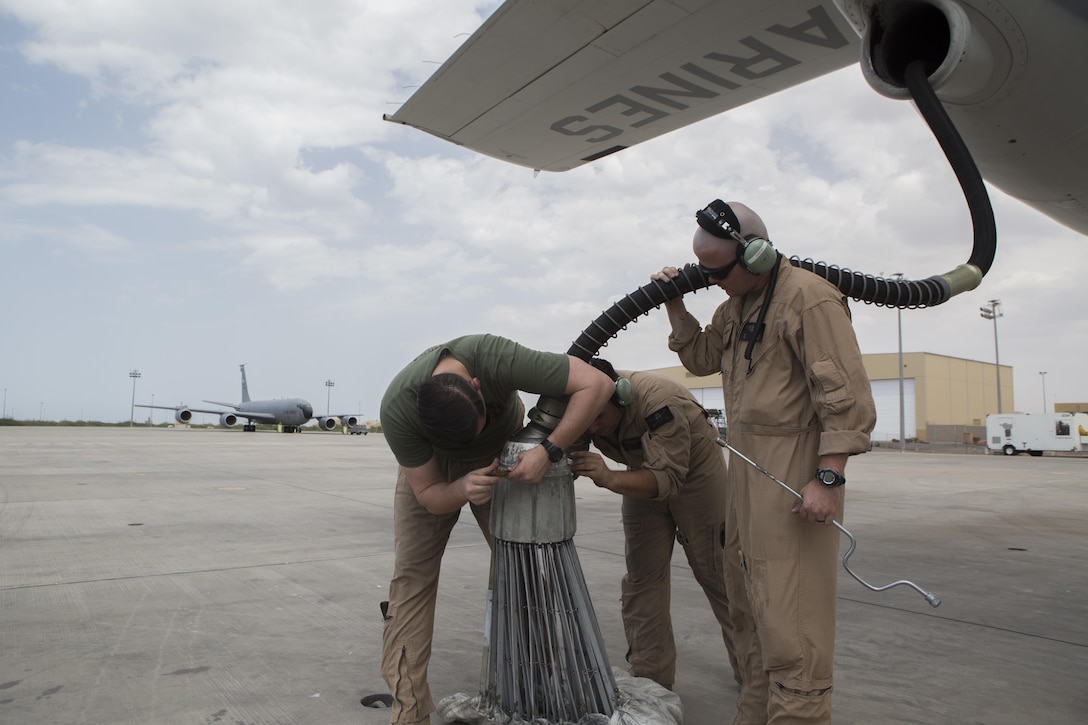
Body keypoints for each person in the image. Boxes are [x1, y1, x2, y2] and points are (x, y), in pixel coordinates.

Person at [652, 200, 876, 724]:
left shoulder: (809, 299)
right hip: (747, 473)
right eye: (704, 272)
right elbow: (701, 358)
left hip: (793, 474)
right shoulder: (735, 307)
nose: (712, 282)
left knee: (792, 621)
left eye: (718, 271)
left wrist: (828, 478)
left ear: (755, 254)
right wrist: (675, 304)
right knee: (748, 608)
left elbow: (844, 399)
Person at [376, 333, 615, 725]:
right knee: (411, 582)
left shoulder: (494, 357)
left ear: (477, 386)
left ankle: (533, 698)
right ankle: (410, 712)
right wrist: (461, 488)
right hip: (434, 471)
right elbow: (430, 494)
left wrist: (548, 450)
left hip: (502, 456)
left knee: (523, 575)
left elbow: (598, 384)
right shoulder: (397, 410)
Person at [568, 358, 740, 691]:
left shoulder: (660, 401)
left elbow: (666, 479)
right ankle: (651, 683)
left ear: (621, 398)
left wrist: (609, 477)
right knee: (642, 579)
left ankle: (757, 675)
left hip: (695, 476)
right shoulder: (583, 403)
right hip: (640, 473)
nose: (592, 428)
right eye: (585, 418)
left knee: (719, 573)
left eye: (599, 417)